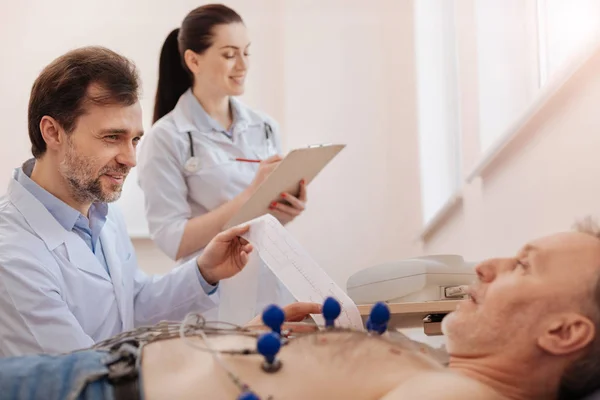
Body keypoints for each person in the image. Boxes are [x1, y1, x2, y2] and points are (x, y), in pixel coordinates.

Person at [3, 220, 600, 400]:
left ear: (565, 331)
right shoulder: (443, 372)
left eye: (522, 266)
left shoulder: (465, 396)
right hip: (100, 374)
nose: (488, 265)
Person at [0, 45, 306, 357]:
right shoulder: (12, 256)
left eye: (134, 139)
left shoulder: (101, 213)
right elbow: (83, 373)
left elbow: (133, 303)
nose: (131, 159)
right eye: (112, 137)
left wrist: (204, 271)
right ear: (53, 132)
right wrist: (232, 343)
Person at [136, 4, 306, 324]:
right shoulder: (166, 137)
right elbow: (173, 239)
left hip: (273, 283)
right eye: (229, 54)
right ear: (193, 60)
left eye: (247, 52)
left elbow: (263, 215)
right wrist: (249, 198)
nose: (242, 65)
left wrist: (286, 206)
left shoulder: (265, 126)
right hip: (213, 298)